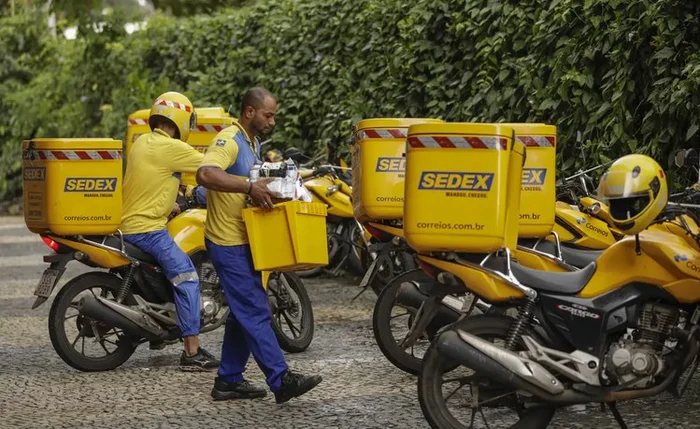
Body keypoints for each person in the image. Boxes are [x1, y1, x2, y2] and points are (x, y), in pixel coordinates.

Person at [196, 87, 323, 404]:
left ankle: (228, 380)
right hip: (227, 241)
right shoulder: (230, 140)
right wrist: (250, 186)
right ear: (249, 112)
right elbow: (205, 173)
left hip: (245, 239)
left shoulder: (253, 144)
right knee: (254, 309)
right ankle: (281, 380)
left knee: (243, 313)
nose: (273, 120)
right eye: (269, 114)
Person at [119, 91, 220, 371]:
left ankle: (158, 334)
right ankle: (192, 353)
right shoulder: (171, 148)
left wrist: (172, 204)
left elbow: (153, 182)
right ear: (182, 119)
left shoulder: (141, 143)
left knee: (168, 273)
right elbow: (212, 168)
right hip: (147, 230)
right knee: (187, 278)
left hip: (129, 224)